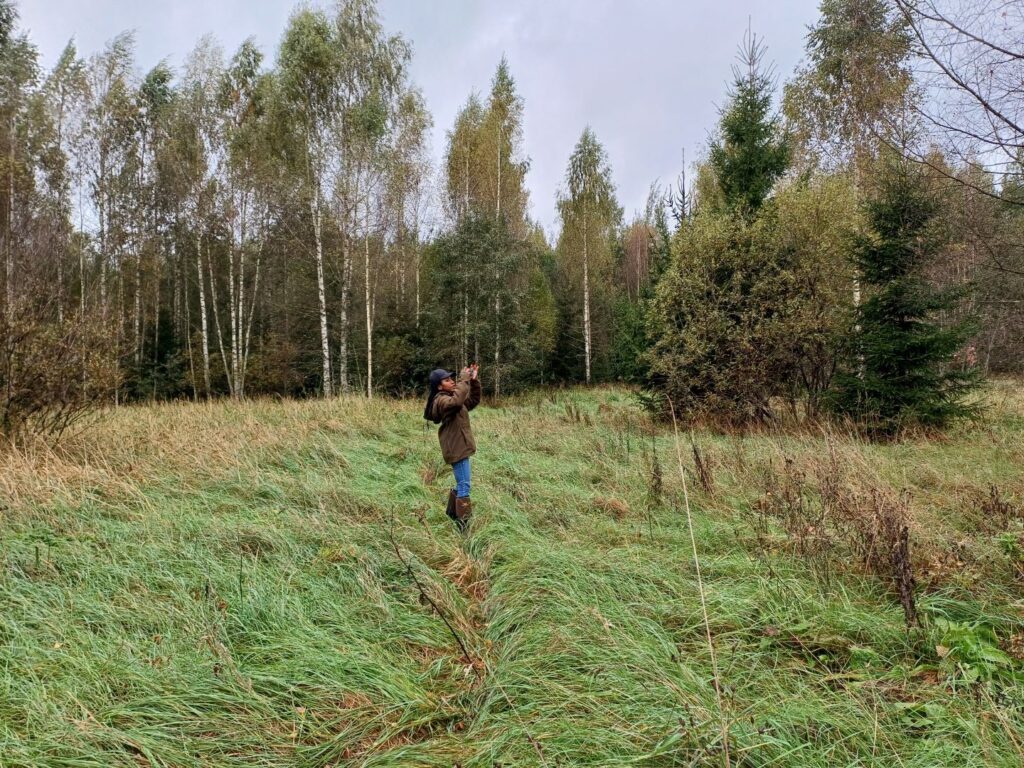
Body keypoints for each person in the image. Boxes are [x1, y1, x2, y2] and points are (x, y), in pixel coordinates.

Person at [423, 364, 481, 531]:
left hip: (459, 446)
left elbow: (471, 401)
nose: (452, 381)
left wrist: (474, 382)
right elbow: (456, 402)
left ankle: (452, 513)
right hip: (457, 448)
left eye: (452, 379)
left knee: (461, 483)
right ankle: (463, 526)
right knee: (464, 484)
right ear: (439, 386)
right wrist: (464, 380)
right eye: (447, 380)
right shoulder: (441, 400)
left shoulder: (451, 398)